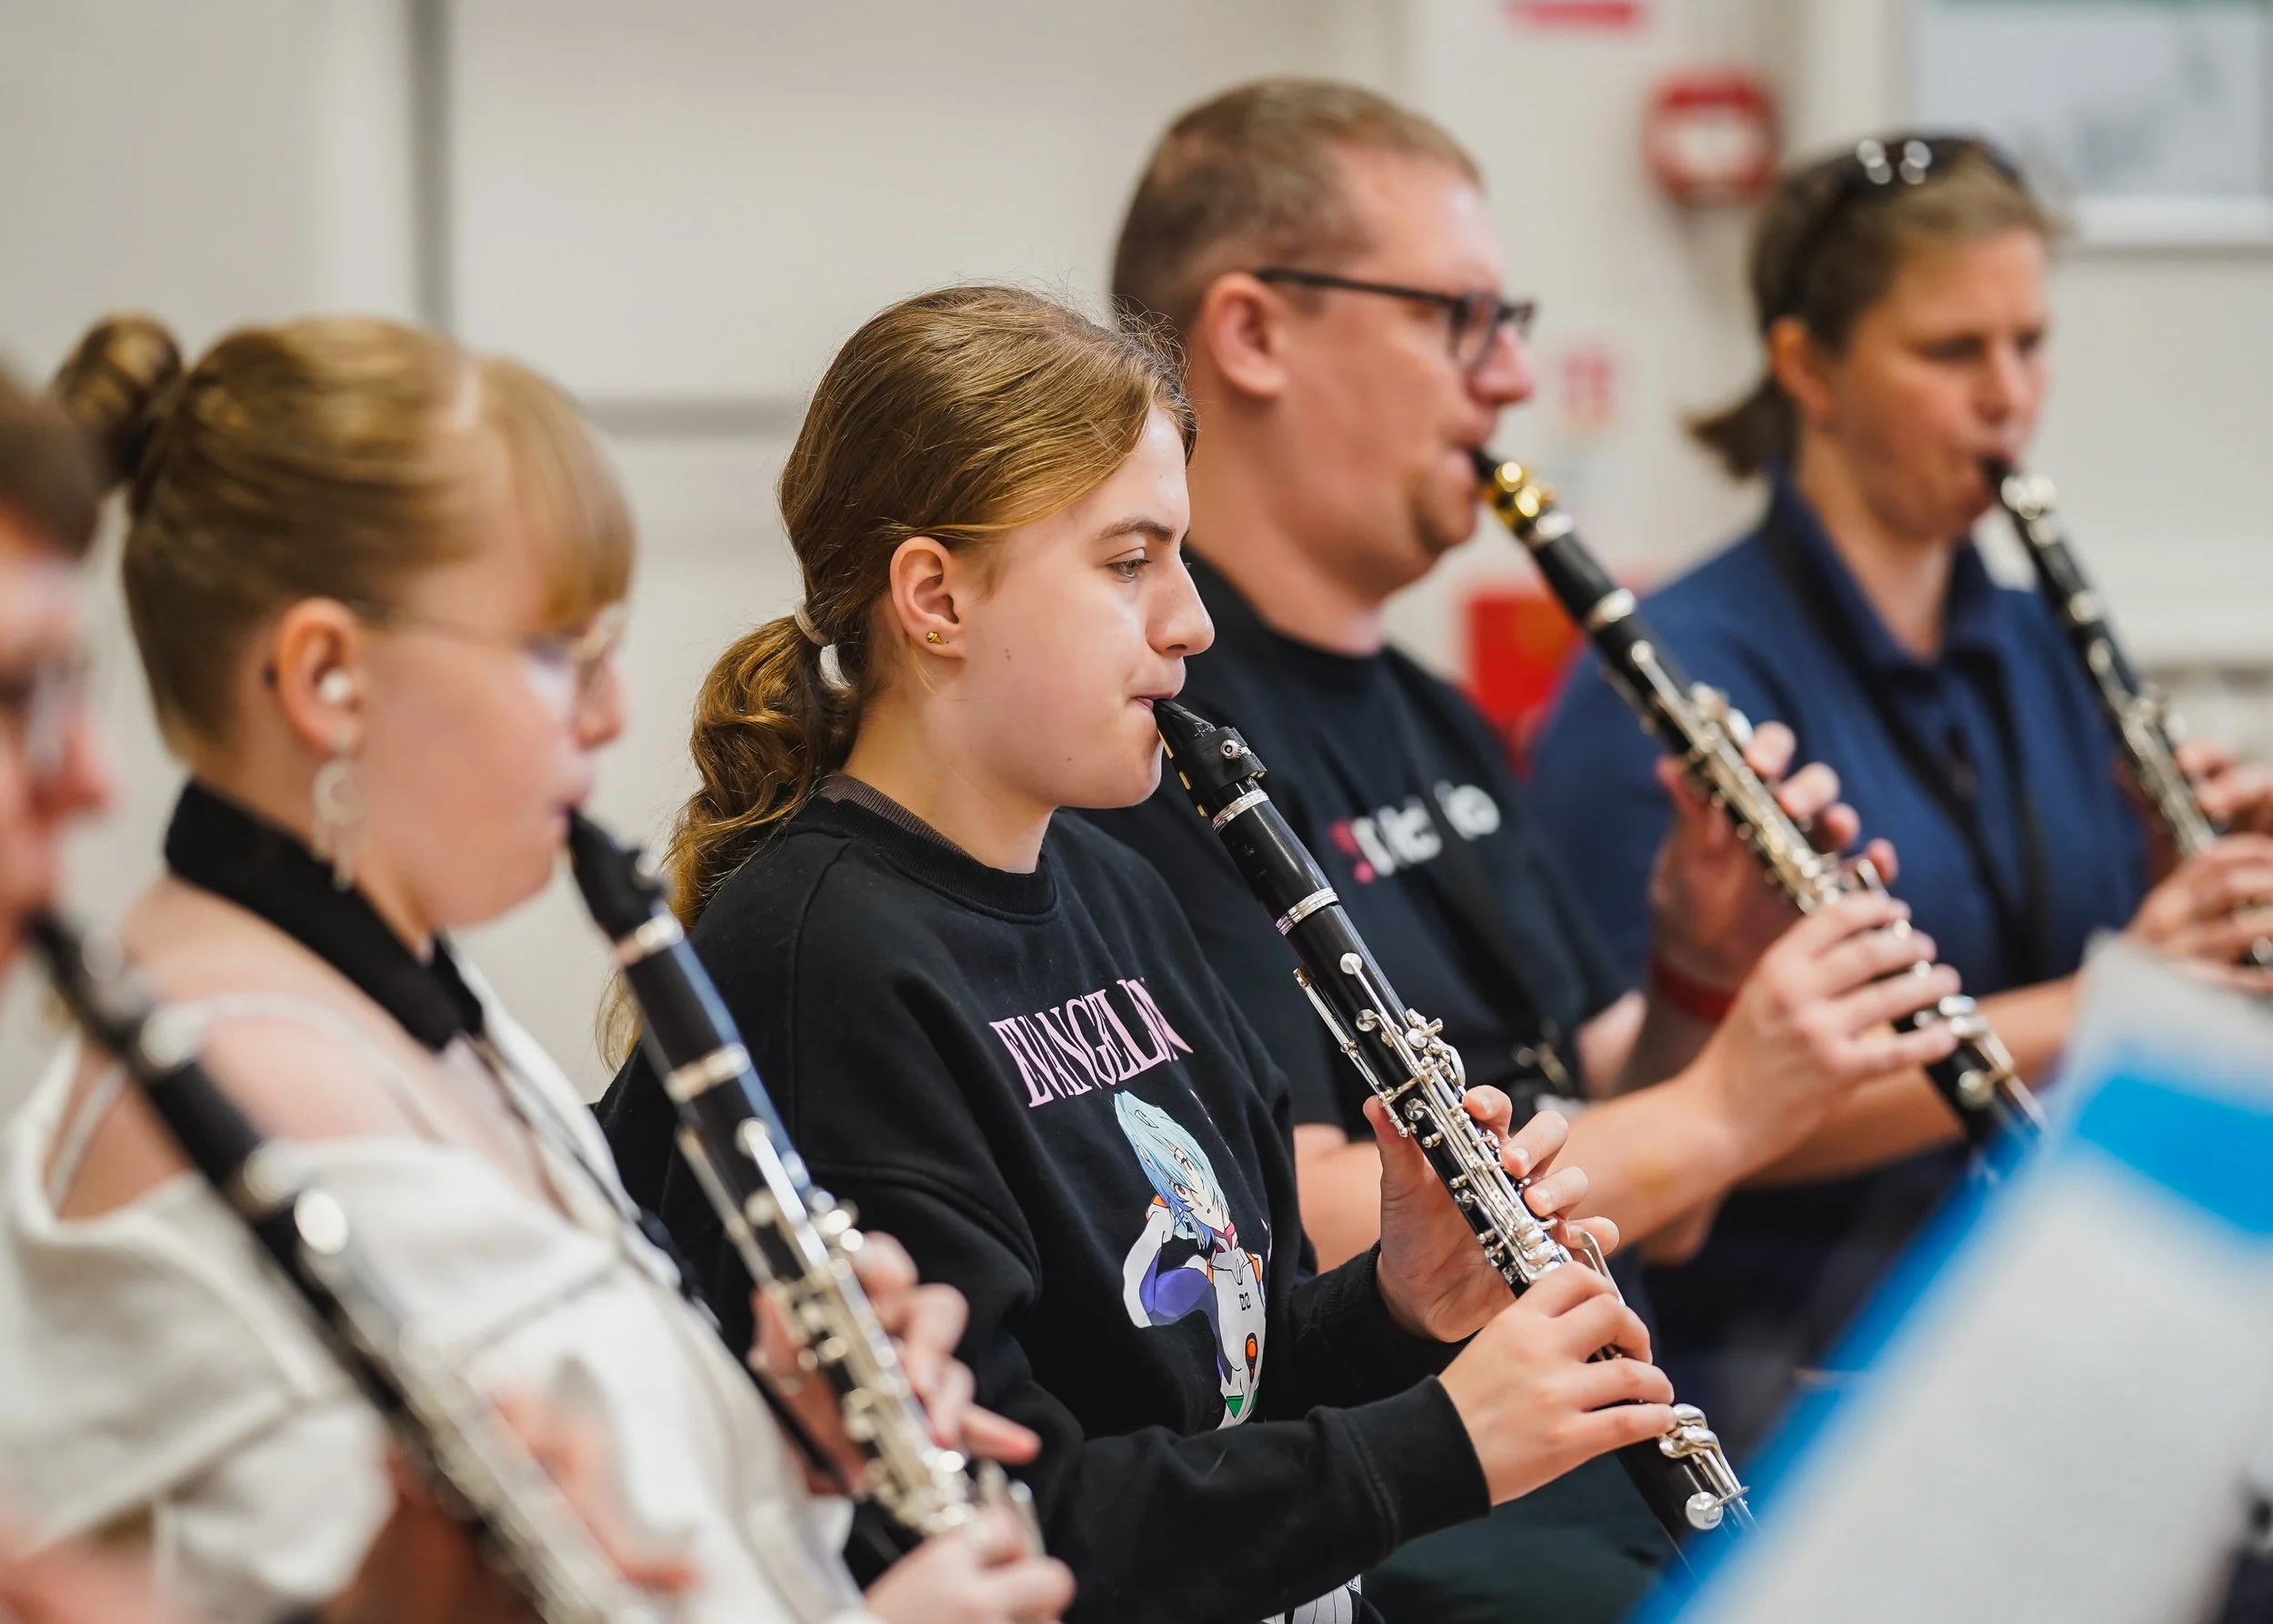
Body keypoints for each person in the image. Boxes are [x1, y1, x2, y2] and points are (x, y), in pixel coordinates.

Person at [597, 284, 1684, 1624]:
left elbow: (1222, 1381)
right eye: (1129, 562)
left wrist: (1398, 1307)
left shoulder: (1116, 889)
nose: (1191, 622)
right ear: (934, 595)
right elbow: (1010, 1526)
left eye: (1180, 556)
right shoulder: (824, 966)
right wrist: (1441, 1441)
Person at [0, 315, 1071, 1624]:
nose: (613, 710)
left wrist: (781, 1435)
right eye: (561, 648)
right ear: (328, 675)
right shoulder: (260, 1088)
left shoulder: (402, 995)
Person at [1085, 80, 1974, 1623]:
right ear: (1255, 334)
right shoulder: (1140, 733)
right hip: (1408, 1514)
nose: (1507, 381)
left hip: (1591, 1453)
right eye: (1461, 320)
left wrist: (1701, 978)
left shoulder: (1431, 713)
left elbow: (1659, 1194)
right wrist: (1726, 1101)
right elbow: (1279, 1218)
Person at [1528, 133, 2273, 1451]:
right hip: (1797, 1365)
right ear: (1808, 366)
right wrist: (2115, 996)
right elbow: (1707, 1112)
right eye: (1952, 353)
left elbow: (2074, 942)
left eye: (2028, 344)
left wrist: (2184, 882)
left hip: (2056, 1305)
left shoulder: (2033, 638)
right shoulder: (1678, 682)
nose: (2010, 398)